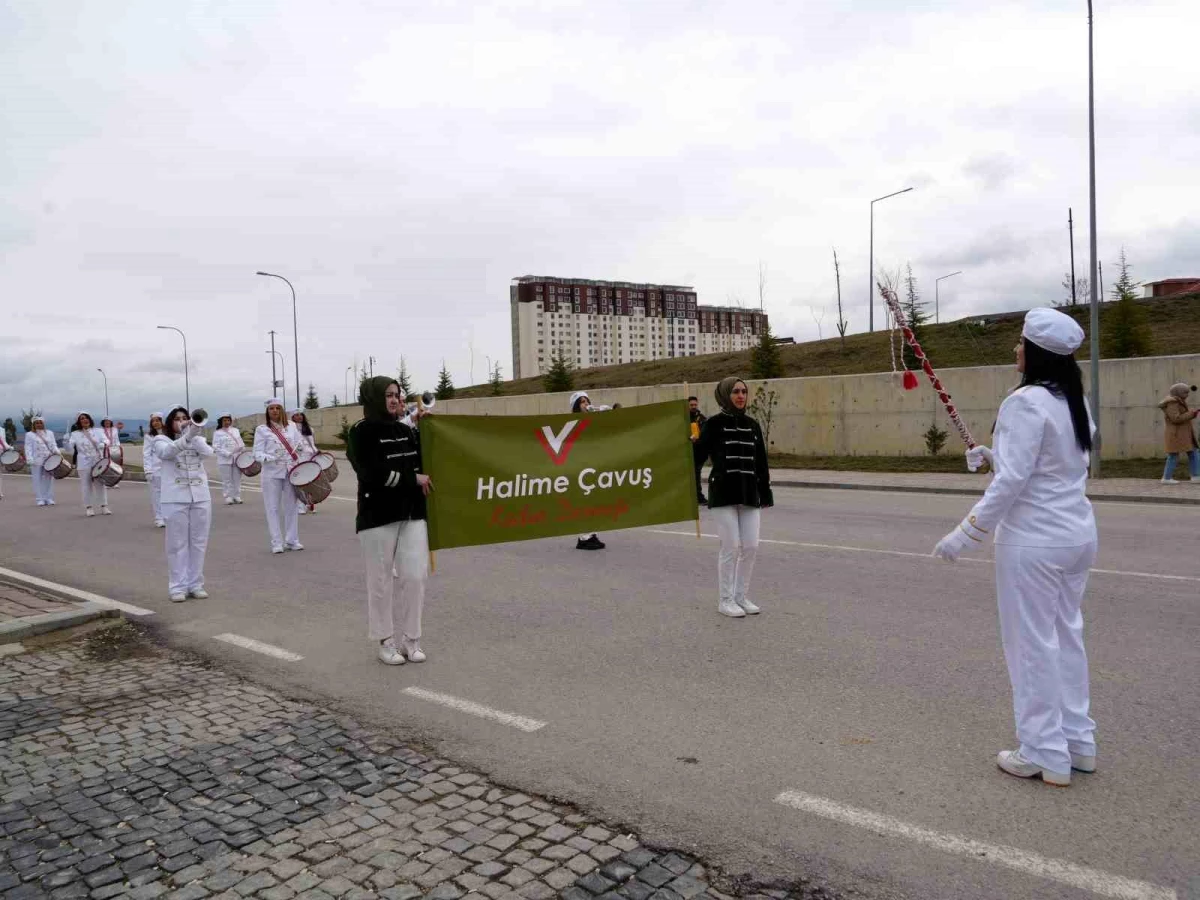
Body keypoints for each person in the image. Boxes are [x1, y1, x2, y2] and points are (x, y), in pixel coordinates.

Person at [933, 308, 1097, 788]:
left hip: (1036, 542)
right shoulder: (1073, 399)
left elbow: (1014, 482)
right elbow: (1059, 462)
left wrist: (966, 532)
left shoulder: (1024, 402)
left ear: (1038, 353)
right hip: (1076, 535)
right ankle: (1078, 742)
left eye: (1022, 343)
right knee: (1066, 637)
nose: (1015, 350)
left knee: (1030, 646)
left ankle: (1044, 752)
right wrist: (994, 455)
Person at [346, 376, 433, 666]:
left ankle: (412, 639)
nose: (395, 400)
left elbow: (420, 461)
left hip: (412, 513)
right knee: (381, 580)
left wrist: (427, 430)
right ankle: (385, 641)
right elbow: (370, 472)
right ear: (373, 399)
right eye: (388, 395)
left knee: (415, 576)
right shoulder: (361, 431)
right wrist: (412, 479)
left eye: (397, 394)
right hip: (377, 515)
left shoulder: (405, 430)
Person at [695, 378, 773, 618]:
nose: (740, 395)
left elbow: (761, 462)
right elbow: (696, 460)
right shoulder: (713, 425)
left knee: (750, 546)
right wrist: (692, 444)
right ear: (725, 395)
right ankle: (725, 599)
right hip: (723, 492)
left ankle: (740, 596)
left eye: (743, 391)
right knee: (731, 546)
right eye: (735, 392)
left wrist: (765, 492)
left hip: (749, 491)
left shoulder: (753, 425)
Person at [152, 406, 214, 602]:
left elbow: (208, 453)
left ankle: (195, 584)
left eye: (185, 418)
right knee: (177, 543)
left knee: (199, 541)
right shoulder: (160, 440)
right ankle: (177, 586)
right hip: (175, 497)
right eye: (177, 419)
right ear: (170, 423)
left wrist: (193, 434)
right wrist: (186, 437)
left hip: (200, 495)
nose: (182, 421)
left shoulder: (197, 439)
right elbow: (166, 453)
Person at [253, 398, 303, 554]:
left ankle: (292, 540)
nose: (274, 411)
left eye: (277, 408)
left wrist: (299, 451)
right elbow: (257, 453)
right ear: (267, 412)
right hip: (271, 473)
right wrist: (268, 458)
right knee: (272, 508)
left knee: (291, 507)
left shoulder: (292, 426)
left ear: (282, 410)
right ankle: (276, 542)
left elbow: (298, 445)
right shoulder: (262, 429)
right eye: (271, 408)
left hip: (289, 471)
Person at [570, 391, 607, 550]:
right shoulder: (573, 422)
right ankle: (583, 537)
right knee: (584, 501)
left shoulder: (591, 419)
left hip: (592, 465)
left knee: (594, 501)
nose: (586, 404)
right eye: (582, 402)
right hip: (580, 466)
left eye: (587, 401)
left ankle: (591, 534)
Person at [65, 411, 111, 516]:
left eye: (86, 418)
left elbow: (107, 441)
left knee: (100, 484)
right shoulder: (75, 434)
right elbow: (69, 449)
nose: (84, 420)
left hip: (97, 460)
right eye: (81, 419)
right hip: (83, 462)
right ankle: (89, 507)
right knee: (86, 485)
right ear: (79, 422)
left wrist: (102, 444)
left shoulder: (98, 431)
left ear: (90, 419)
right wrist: (65, 441)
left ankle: (104, 506)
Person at [1157, 383, 1198, 484]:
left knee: (1193, 452)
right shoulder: (1173, 403)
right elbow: (1175, 418)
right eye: (1185, 392)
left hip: (1182, 434)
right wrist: (1192, 414)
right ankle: (1166, 478)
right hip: (1176, 434)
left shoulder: (1178, 401)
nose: (1187, 394)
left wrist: (1192, 413)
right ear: (1178, 392)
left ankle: (1196, 476)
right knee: (1174, 455)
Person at [211, 413, 246, 505]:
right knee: (227, 479)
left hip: (237, 458)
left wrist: (242, 448)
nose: (227, 422)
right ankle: (228, 497)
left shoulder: (236, 430)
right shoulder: (217, 433)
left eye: (228, 420)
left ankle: (237, 496)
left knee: (237, 478)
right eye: (224, 420)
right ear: (221, 422)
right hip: (224, 459)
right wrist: (226, 453)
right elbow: (215, 447)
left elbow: (240, 442)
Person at [291, 409, 318, 515]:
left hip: (310, 456)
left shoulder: (309, 429)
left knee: (311, 482)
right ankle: (300, 505)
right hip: (298, 457)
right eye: (296, 415)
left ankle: (310, 504)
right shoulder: (290, 429)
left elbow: (312, 443)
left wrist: (316, 451)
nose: (299, 417)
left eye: (301, 415)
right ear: (292, 417)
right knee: (300, 482)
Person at [24, 417, 57, 507]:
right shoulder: (29, 434)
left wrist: (57, 451)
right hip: (36, 459)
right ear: (33, 425)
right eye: (37, 423)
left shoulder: (49, 433)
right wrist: (29, 457)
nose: (39, 424)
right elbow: (28, 447)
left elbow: (53, 444)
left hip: (49, 458)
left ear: (43, 423)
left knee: (49, 479)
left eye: (40, 423)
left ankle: (49, 497)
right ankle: (40, 498)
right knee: (37, 479)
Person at [144, 412, 166, 527]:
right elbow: (146, 454)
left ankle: (169, 515)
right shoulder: (149, 436)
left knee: (169, 494)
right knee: (156, 494)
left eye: (158, 420)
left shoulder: (169, 433)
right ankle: (159, 517)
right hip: (156, 468)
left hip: (169, 468)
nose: (156, 423)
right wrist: (148, 470)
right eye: (153, 421)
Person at [688, 395, 708, 504]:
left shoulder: (701, 419)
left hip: (698, 453)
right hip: (686, 452)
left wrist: (698, 440)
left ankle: (699, 497)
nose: (693, 406)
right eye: (691, 405)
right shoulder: (684, 418)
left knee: (696, 474)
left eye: (695, 404)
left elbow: (705, 435)